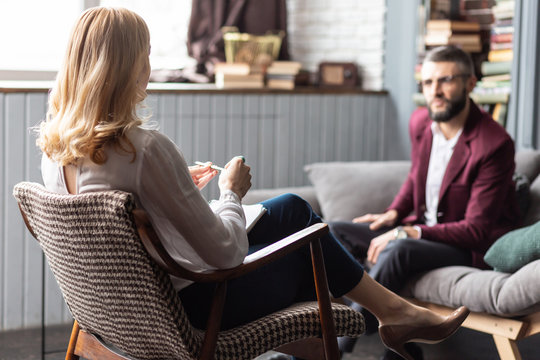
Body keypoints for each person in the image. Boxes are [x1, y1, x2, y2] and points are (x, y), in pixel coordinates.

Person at [36, 8, 469, 360]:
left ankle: (382, 319)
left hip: (124, 315)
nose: (149, 66)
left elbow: (122, 218)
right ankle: (392, 313)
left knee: (296, 228)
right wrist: (231, 191)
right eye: (145, 54)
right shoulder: (143, 150)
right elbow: (225, 252)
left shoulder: (55, 155)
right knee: (302, 228)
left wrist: (171, 186)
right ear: (125, 67)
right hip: (196, 312)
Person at [330, 45, 520, 359]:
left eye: (446, 80)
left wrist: (410, 231)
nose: (435, 91)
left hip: (467, 246)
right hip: (425, 233)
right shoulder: (421, 123)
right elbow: (417, 176)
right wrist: (393, 214)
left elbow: (477, 230)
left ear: (471, 83)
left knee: (398, 249)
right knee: (334, 232)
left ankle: (335, 349)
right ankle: (403, 346)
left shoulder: (494, 144)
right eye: (428, 83)